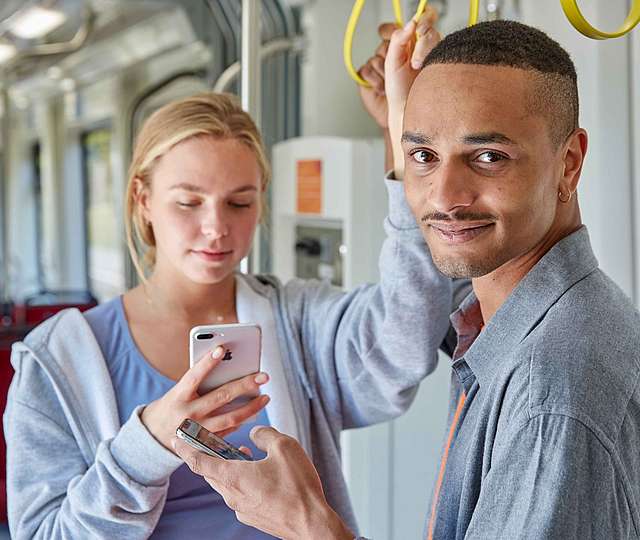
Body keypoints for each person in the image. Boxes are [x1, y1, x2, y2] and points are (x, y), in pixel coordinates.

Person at [173, 18, 640, 540]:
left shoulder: (551, 392)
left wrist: (309, 526)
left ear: (569, 164)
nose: (443, 197)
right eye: (424, 156)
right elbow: (419, 293)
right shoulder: (523, 320)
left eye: (488, 157)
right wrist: (402, 115)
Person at [3, 33, 454, 539]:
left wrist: (405, 139)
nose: (217, 228)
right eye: (189, 202)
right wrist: (148, 443)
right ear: (143, 199)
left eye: (239, 203)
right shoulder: (55, 362)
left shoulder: (296, 322)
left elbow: (406, 336)